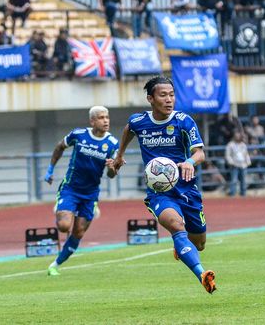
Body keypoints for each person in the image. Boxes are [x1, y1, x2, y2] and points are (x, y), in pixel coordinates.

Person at [111, 76, 217, 294]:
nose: (169, 100)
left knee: (199, 243)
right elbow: (128, 129)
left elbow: (200, 153)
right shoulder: (140, 121)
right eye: (163, 95)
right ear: (150, 98)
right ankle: (202, 274)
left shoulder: (184, 121)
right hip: (159, 193)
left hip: (187, 190)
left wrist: (189, 161)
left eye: (172, 95)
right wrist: (119, 155)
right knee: (177, 227)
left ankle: (182, 248)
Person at [45, 106, 119, 276]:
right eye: (101, 118)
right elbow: (59, 147)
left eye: (107, 117)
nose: (106, 121)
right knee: (64, 226)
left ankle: (54, 265)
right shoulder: (78, 135)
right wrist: (50, 169)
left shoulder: (113, 144)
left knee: (78, 232)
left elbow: (111, 174)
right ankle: (63, 208)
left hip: (90, 194)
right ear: (92, 121)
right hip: (70, 188)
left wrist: (112, 168)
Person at [225, 131, 251, 196]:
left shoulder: (243, 145)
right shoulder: (230, 145)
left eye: (239, 136)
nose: (238, 137)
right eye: (236, 136)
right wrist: (231, 162)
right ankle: (232, 193)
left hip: (243, 165)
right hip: (234, 164)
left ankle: (243, 193)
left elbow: (246, 154)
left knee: (244, 180)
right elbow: (227, 155)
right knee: (234, 180)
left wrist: (248, 161)